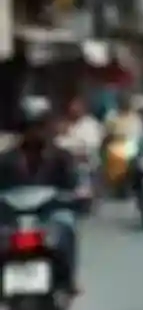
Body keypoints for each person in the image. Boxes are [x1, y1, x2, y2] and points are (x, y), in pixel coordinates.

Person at [0, 97, 82, 291]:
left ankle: (68, 278)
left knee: (67, 224)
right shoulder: (6, 159)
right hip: (13, 218)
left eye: (38, 126)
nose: (34, 132)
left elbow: (74, 184)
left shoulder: (60, 156)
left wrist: (79, 193)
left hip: (49, 215)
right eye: (29, 127)